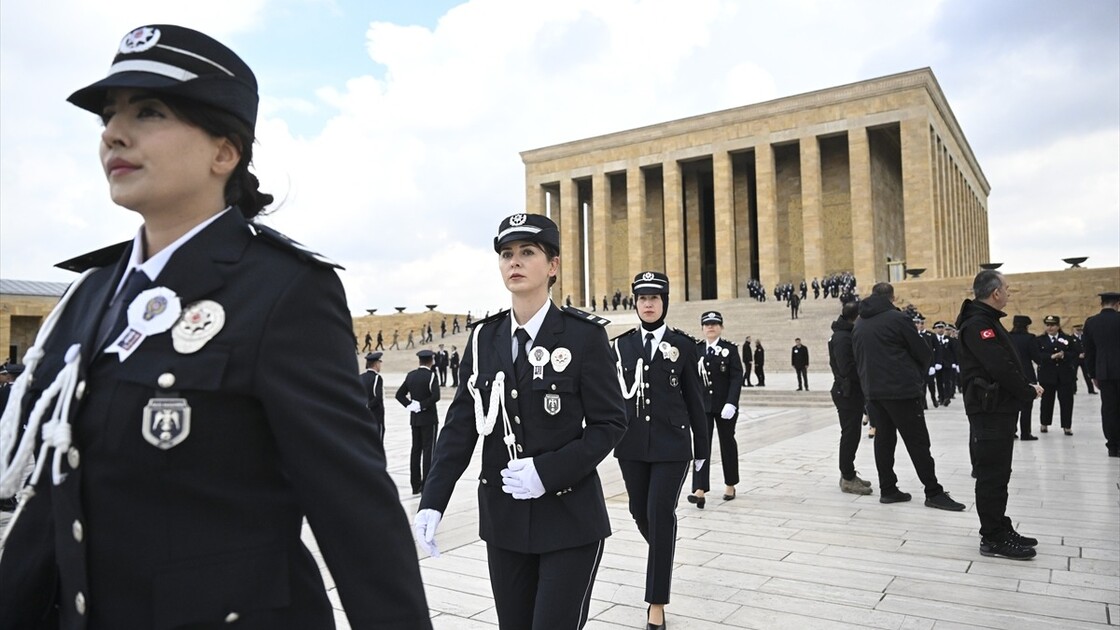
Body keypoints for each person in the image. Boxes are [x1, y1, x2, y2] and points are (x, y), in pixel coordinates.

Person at [0, 24, 429, 628]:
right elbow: (52, 504)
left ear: (223, 152)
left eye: (147, 112)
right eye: (108, 116)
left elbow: (354, 512)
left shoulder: (283, 291)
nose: (113, 134)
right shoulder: (93, 293)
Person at [413, 213, 626, 629]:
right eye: (507, 254)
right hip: (505, 522)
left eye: (527, 252)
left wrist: (546, 471)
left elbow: (610, 423)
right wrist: (433, 500)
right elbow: (461, 426)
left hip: (569, 521)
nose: (514, 262)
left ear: (553, 266)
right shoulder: (484, 338)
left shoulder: (583, 337)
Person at [611, 271, 708, 629]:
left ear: (664, 302)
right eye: (642, 298)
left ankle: (656, 604)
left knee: (659, 511)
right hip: (632, 446)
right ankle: (664, 550)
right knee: (640, 511)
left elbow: (697, 408)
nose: (648, 304)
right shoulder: (620, 346)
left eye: (654, 298)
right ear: (635, 303)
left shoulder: (683, 345)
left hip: (672, 446)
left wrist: (702, 468)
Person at [852, 282, 964, 511]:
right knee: (918, 442)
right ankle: (933, 492)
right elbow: (923, 351)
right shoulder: (897, 318)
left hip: (873, 392)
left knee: (884, 440)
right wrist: (916, 375)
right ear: (892, 298)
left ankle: (888, 489)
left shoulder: (860, 322)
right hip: (901, 390)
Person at [955, 270, 1042, 559]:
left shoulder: (986, 320)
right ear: (995, 293)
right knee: (992, 474)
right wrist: (1027, 391)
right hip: (989, 410)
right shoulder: (979, 324)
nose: (1009, 292)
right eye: (1007, 288)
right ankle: (992, 537)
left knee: (999, 472)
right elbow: (1000, 366)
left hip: (998, 407)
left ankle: (1000, 526)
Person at [688, 311, 744, 507]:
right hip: (703, 406)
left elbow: (737, 377)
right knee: (702, 445)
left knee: (727, 443)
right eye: (707, 324)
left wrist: (732, 402)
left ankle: (730, 484)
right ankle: (699, 488)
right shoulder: (696, 349)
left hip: (724, 406)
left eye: (714, 323)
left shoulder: (730, 349)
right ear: (702, 328)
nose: (710, 327)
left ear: (721, 327)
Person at [828, 301, 872, 495]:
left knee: (852, 433)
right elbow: (847, 368)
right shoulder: (842, 338)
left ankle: (848, 473)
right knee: (850, 435)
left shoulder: (844, 334)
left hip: (850, 391)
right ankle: (847, 477)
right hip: (846, 392)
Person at [396, 349, 441, 494]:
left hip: (415, 419)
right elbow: (436, 396)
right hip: (428, 418)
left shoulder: (411, 376)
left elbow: (399, 395)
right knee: (429, 450)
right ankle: (427, 484)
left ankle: (415, 484)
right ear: (431, 361)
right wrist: (422, 405)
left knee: (415, 450)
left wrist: (410, 405)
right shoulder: (431, 376)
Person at [1082, 291, 1120, 457]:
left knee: (1109, 408)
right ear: (1117, 304)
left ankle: (1112, 445)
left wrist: (1093, 374)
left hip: (1104, 372)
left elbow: (1089, 352)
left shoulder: (1091, 323)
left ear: (1101, 304)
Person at [1035, 315, 1077, 435]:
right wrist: (1050, 357)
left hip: (1065, 375)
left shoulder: (1067, 339)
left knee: (1066, 401)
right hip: (1047, 375)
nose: (1050, 328)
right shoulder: (1040, 340)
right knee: (1047, 401)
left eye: (1053, 325)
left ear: (1058, 326)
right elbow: (1037, 355)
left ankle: (1067, 426)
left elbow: (1075, 353)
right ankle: (1044, 423)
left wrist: (1064, 355)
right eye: (1048, 325)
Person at [1008, 315, 1041, 440]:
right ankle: (1025, 432)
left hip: (1011, 374)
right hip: (1027, 374)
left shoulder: (1008, 336)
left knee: (1012, 404)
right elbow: (1036, 357)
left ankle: (1012, 431)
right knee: (1027, 406)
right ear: (1027, 326)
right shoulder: (1030, 338)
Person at [360, 351, 387, 445]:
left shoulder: (361, 377)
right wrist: (368, 405)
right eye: (379, 363)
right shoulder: (377, 378)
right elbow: (378, 396)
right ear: (376, 364)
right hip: (376, 415)